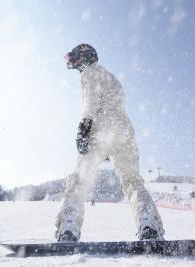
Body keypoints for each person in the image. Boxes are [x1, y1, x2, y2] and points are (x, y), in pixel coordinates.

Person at [55, 44, 165, 242]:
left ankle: (69, 227)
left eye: (75, 58)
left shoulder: (89, 73)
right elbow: (116, 107)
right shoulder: (112, 77)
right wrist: (111, 142)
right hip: (125, 129)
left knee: (80, 179)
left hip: (100, 125)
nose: (74, 64)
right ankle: (148, 224)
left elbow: (90, 102)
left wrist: (84, 128)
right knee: (132, 181)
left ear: (84, 57)